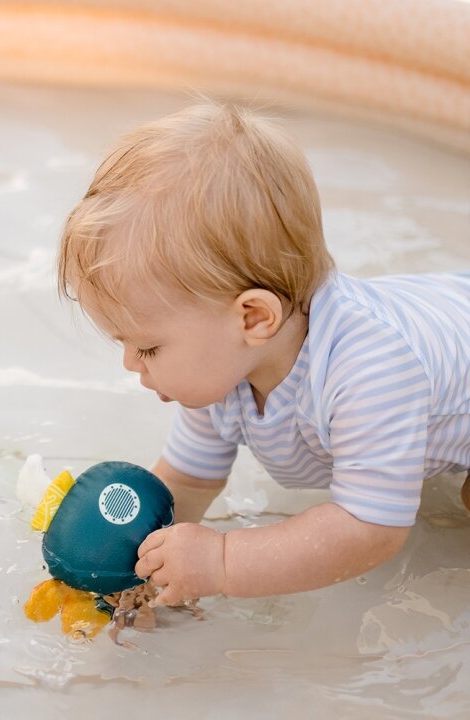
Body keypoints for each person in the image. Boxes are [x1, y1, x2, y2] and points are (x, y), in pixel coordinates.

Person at [57, 102, 470, 605]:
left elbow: (371, 528)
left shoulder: (369, 372)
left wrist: (222, 563)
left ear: (254, 317)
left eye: (147, 346)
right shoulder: (222, 365)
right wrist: (144, 574)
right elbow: (189, 479)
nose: (130, 364)